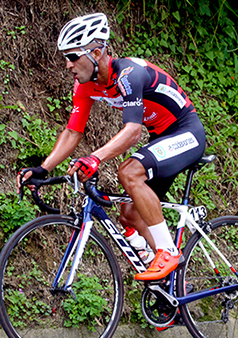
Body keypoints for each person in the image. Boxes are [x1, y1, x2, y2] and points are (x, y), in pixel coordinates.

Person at [17, 13, 206, 281]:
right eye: (65, 58)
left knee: (129, 172)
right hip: (162, 139)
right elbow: (73, 131)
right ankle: (172, 284)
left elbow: (132, 131)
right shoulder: (86, 86)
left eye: (72, 56)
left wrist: (94, 158)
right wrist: (43, 168)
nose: (68, 65)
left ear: (96, 52)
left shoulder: (129, 74)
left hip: (187, 132)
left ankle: (167, 252)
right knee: (129, 215)